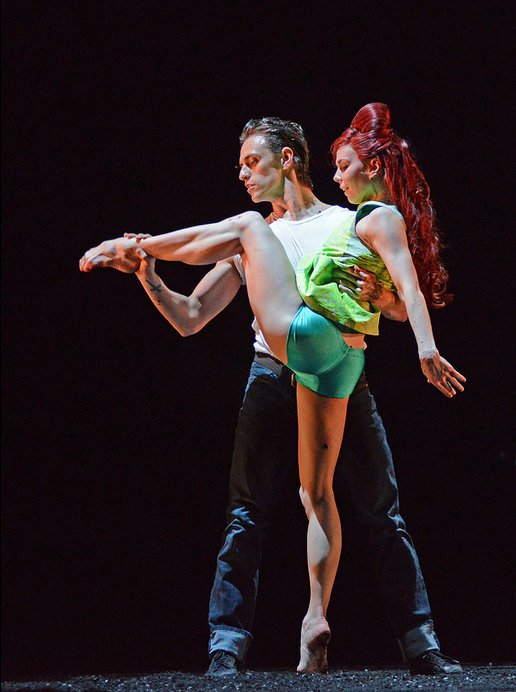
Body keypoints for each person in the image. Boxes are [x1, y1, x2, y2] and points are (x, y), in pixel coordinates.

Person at [79, 111, 465, 676]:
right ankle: (228, 646)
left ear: (288, 160)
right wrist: (150, 276)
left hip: (340, 368)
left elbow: (399, 303)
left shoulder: (345, 219)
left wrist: (385, 304)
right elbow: (191, 318)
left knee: (381, 510)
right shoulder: (249, 240)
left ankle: (421, 643)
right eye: (239, 166)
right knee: (249, 512)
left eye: (251, 162)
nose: (243, 174)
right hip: (271, 372)